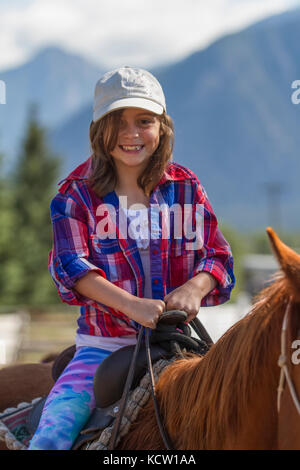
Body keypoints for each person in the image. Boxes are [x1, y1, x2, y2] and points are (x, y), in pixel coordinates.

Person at [28, 66, 235, 450]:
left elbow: (219, 256)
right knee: (52, 438)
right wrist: (133, 306)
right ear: (99, 130)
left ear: (162, 128)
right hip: (102, 346)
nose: (131, 133)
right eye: (117, 122)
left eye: (144, 121)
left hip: (175, 341)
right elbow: (72, 268)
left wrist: (195, 286)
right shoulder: (75, 196)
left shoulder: (186, 188)